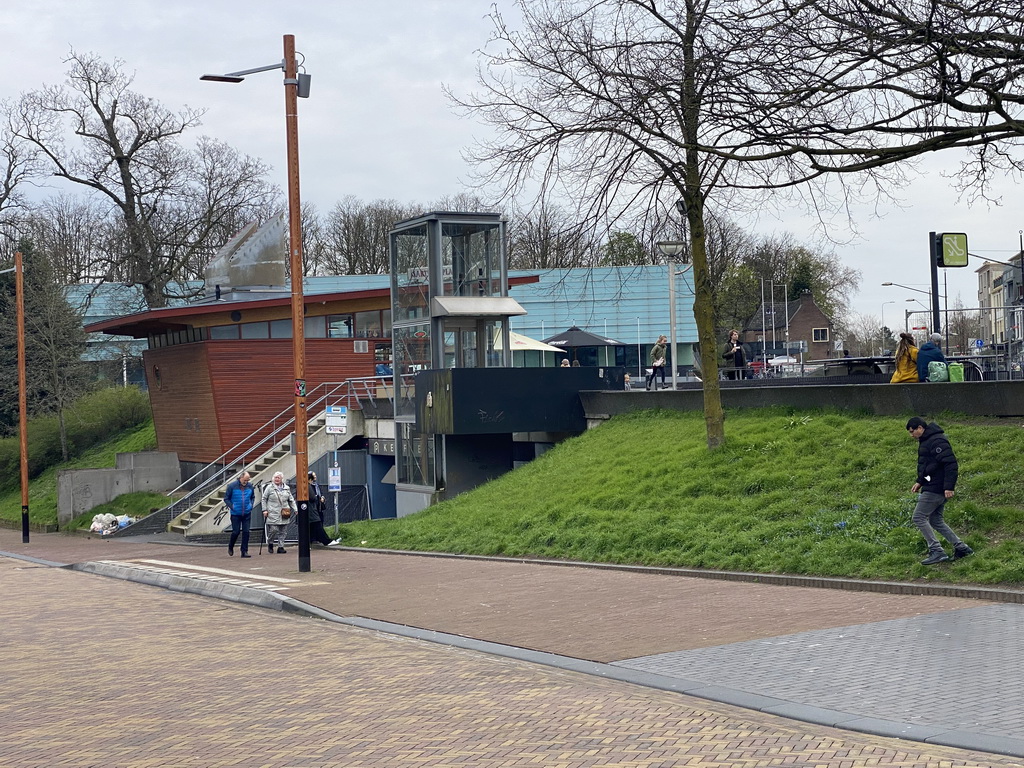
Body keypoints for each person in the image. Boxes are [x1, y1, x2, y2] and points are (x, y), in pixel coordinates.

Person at [906, 417, 973, 565]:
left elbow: (950, 464)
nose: (912, 435)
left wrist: (949, 486)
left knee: (918, 517)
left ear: (920, 428)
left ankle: (936, 551)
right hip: (933, 485)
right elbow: (930, 466)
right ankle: (961, 548)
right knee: (935, 520)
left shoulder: (937, 441)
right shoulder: (927, 440)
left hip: (936, 488)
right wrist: (920, 481)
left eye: (912, 432)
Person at [262, 471, 296, 554]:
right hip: (272, 512)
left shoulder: (286, 488)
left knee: (283, 530)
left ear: (281, 479)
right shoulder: (269, 488)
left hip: (284, 512)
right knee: (273, 529)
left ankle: (281, 547)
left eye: (278, 478)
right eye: (275, 478)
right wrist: (264, 510)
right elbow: (264, 499)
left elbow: (291, 500)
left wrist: (295, 509)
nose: (277, 479)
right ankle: (270, 543)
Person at [223, 471, 254, 558]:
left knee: (246, 532)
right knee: (236, 532)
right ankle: (231, 546)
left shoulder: (250, 486)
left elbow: (252, 497)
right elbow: (226, 499)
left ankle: (244, 551)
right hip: (235, 513)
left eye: (247, 480)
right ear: (240, 478)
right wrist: (232, 507)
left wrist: (251, 505)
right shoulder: (232, 486)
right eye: (244, 480)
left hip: (247, 512)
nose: (246, 482)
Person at [307, 471, 335, 547]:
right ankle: (326, 541)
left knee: (312, 526)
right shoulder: (308, 486)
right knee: (317, 524)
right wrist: (318, 498)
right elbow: (313, 497)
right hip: (312, 510)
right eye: (314, 475)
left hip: (316, 508)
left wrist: (321, 497)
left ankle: (311, 542)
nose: (315, 477)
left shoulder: (316, 485)